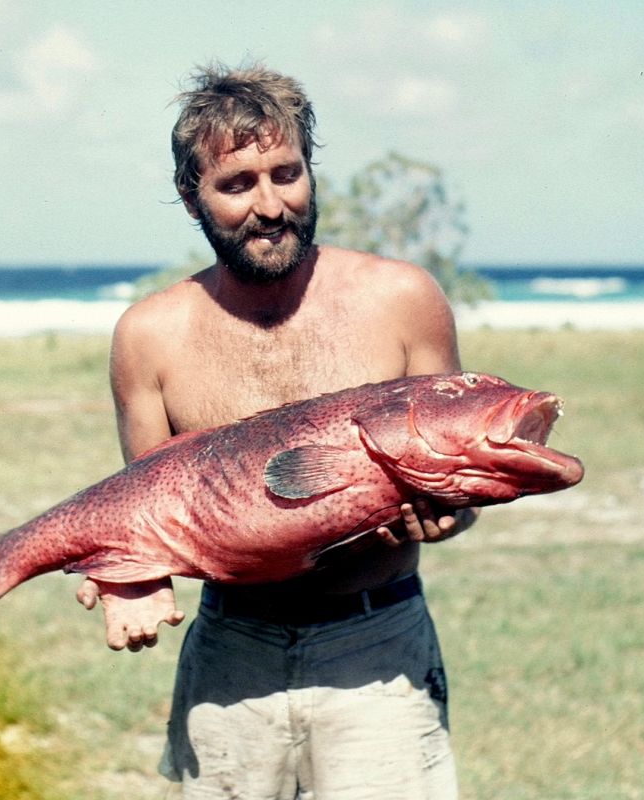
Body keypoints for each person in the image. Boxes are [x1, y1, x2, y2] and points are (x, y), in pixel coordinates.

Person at [77, 63, 478, 799]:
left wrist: (448, 513)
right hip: (234, 649)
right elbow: (152, 510)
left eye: (286, 174)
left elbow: (459, 474)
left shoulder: (402, 299)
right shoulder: (150, 334)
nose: (271, 206)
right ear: (190, 197)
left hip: (377, 647)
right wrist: (130, 578)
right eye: (237, 185)